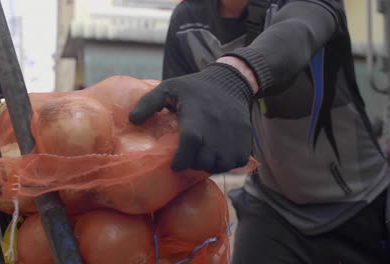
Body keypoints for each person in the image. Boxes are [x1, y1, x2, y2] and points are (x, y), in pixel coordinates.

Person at [129, 0, 390, 263]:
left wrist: (235, 75)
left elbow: (298, 29)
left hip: (360, 205)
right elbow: (176, 126)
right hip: (273, 209)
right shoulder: (187, 20)